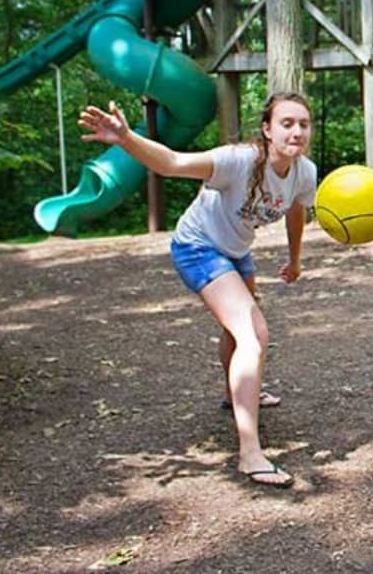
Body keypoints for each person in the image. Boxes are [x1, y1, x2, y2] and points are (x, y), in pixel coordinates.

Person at [79, 92, 317, 488]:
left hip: (236, 251)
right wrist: (125, 139)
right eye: (287, 123)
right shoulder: (238, 160)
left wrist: (295, 260)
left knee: (236, 330)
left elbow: (296, 210)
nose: (296, 131)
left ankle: (235, 392)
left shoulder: (303, 171)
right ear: (267, 129)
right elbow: (172, 163)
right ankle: (250, 454)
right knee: (254, 335)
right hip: (198, 248)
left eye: (303, 124)